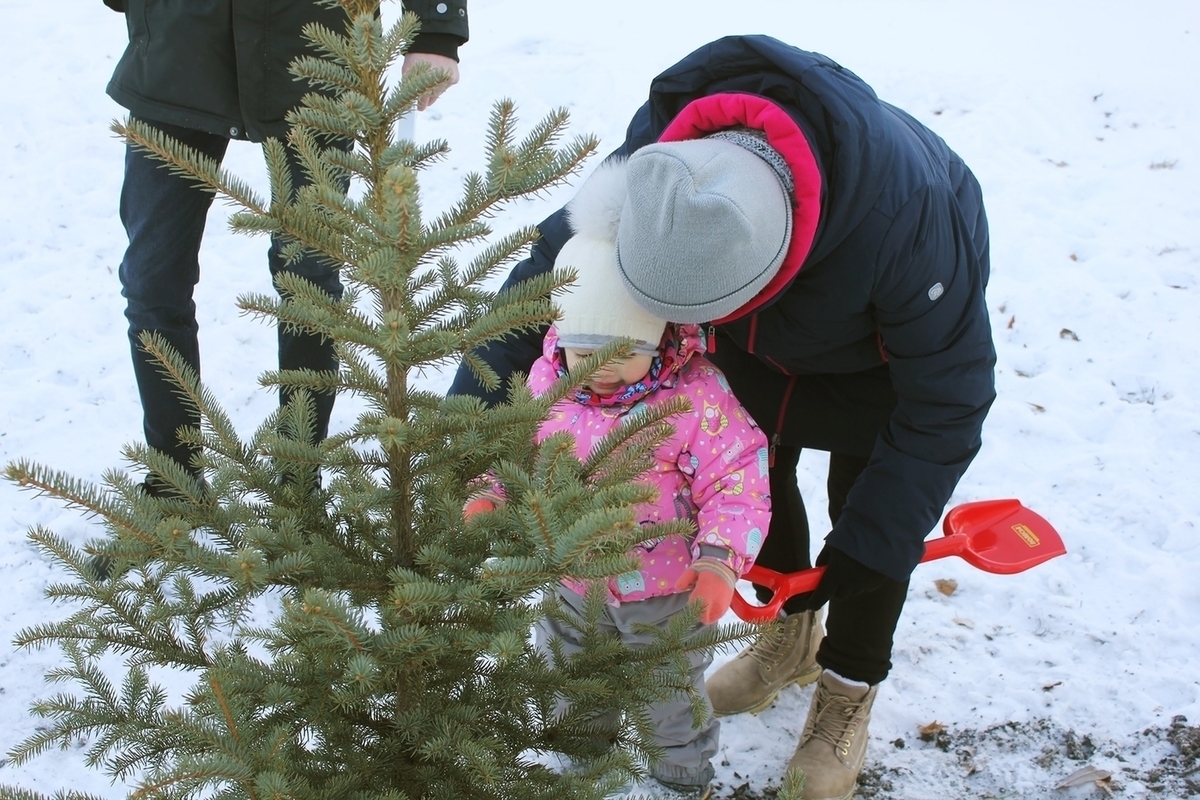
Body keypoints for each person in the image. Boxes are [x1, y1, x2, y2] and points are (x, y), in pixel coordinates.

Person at [449, 35, 995, 800]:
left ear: (770, 275)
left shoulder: (909, 223)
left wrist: (875, 542)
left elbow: (947, 398)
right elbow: (540, 284)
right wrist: (461, 426)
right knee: (739, 462)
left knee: (870, 509)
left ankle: (847, 684)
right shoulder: (662, 171)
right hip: (747, 333)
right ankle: (785, 638)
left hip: (878, 356)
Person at [463, 163, 772, 800]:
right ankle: (583, 766)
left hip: (667, 592)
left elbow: (737, 479)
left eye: (619, 353)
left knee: (668, 701)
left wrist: (719, 563)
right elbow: (516, 446)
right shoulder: (551, 382)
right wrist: (491, 489)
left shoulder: (693, 399)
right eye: (582, 353)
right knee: (571, 681)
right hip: (571, 582)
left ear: (657, 336)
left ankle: (682, 779)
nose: (598, 369)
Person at [101, 0, 467, 489]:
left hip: (313, 42)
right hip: (176, 46)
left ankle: (299, 489)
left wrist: (435, 29)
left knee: (307, 275)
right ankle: (173, 483)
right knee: (152, 278)